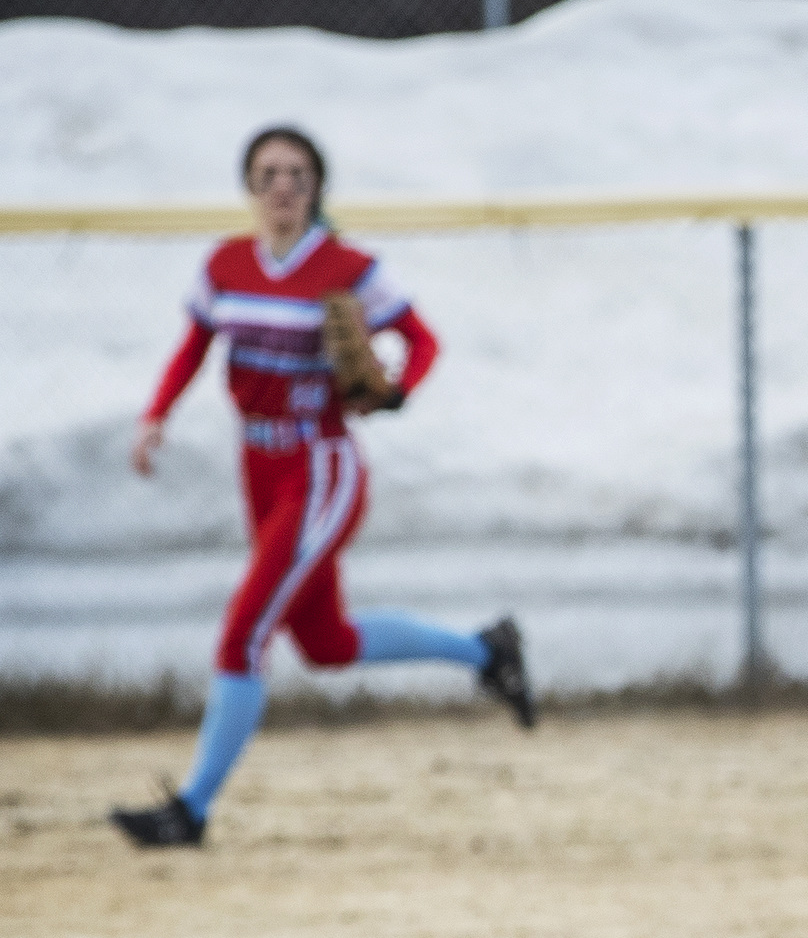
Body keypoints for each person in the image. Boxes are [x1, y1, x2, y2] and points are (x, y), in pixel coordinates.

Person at [112, 125, 533, 849]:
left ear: (316, 189)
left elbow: (422, 340)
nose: (282, 186)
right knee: (328, 643)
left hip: (320, 468)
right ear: (249, 186)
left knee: (244, 634)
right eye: (268, 173)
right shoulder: (226, 265)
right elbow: (194, 345)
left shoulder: (347, 267)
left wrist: (397, 389)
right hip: (259, 466)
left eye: (297, 174)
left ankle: (192, 809)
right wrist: (156, 415)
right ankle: (487, 651)